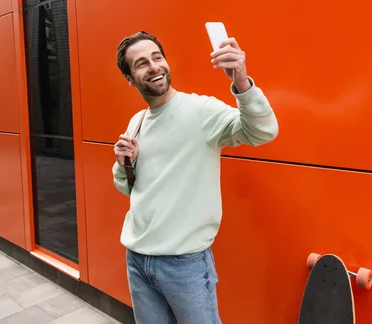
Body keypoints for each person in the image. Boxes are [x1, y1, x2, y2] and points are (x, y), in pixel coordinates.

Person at [112, 30, 279, 323]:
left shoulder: (200, 110)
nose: (153, 66)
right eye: (141, 63)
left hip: (184, 263)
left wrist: (241, 81)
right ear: (129, 78)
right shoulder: (137, 121)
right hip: (137, 257)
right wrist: (126, 163)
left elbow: (262, 132)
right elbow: (128, 188)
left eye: (157, 57)